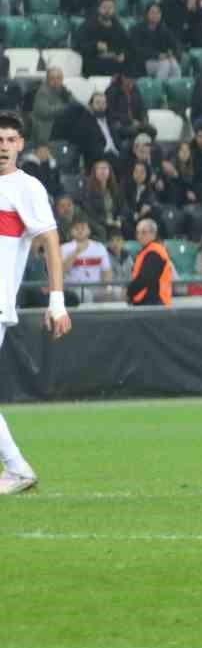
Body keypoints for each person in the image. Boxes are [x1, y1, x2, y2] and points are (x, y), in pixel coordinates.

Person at [0, 111, 72, 494]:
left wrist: (57, 301)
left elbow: (50, 244)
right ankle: (17, 468)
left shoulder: (27, 188)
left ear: (21, 145)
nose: (3, 147)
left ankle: (17, 468)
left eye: (10, 140)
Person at [126, 218, 173, 307]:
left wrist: (129, 292)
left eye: (143, 232)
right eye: (137, 232)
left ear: (153, 234)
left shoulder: (154, 253)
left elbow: (144, 279)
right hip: (150, 302)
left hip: (154, 303)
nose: (139, 236)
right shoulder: (148, 251)